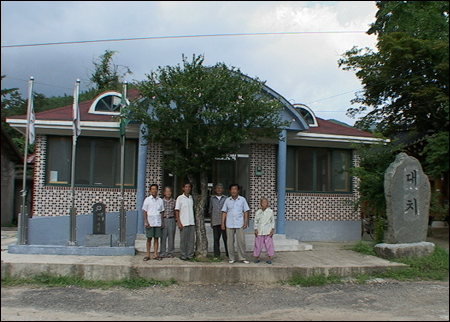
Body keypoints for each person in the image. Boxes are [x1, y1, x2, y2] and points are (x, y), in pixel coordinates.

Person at [221, 183, 250, 264]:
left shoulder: (242, 199)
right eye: (232, 189)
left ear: (238, 190)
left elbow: (245, 211)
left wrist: (245, 221)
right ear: (230, 191)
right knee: (230, 242)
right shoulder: (227, 200)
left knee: (241, 241)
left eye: (235, 189)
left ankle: (242, 257)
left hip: (239, 223)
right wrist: (222, 223)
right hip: (229, 223)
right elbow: (224, 212)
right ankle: (231, 258)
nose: (234, 191)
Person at [142, 183, 164, 261]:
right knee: (149, 238)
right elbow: (144, 211)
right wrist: (146, 221)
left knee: (156, 238)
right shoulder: (147, 200)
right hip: (150, 222)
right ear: (150, 191)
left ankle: (155, 254)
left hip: (157, 222)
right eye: (153, 189)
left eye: (155, 189)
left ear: (157, 190)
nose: (154, 191)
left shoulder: (160, 200)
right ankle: (147, 254)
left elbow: (162, 212)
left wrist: (162, 222)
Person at [175, 182, 195, 260]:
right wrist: (178, 222)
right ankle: (183, 255)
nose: (187, 188)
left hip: (191, 222)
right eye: (186, 187)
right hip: (184, 222)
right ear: (183, 188)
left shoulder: (191, 198)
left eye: (189, 187)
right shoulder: (180, 198)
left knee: (191, 240)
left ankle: (190, 255)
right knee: (183, 240)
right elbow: (177, 210)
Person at [208, 183, 228, 259]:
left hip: (224, 222)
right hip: (215, 222)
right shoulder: (212, 199)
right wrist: (211, 221)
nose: (219, 189)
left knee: (226, 239)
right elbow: (210, 210)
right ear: (215, 190)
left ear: (223, 190)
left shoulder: (226, 198)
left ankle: (228, 254)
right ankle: (216, 255)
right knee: (216, 239)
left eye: (220, 188)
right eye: (217, 188)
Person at [253, 198, 275, 264]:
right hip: (259, 231)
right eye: (263, 202)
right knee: (258, 245)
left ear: (267, 204)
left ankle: (269, 258)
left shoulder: (270, 211)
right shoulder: (258, 212)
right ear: (260, 204)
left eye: (265, 202)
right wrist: (255, 229)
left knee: (269, 245)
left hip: (267, 231)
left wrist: (272, 229)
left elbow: (272, 221)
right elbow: (256, 221)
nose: (264, 204)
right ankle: (257, 257)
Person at [159, 186, 176, 258]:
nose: (168, 193)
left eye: (170, 191)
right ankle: (162, 253)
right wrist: (161, 221)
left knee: (171, 237)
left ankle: (170, 253)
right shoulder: (161, 201)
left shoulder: (174, 201)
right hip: (164, 219)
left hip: (171, 219)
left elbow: (176, 211)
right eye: (167, 191)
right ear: (164, 193)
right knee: (163, 237)